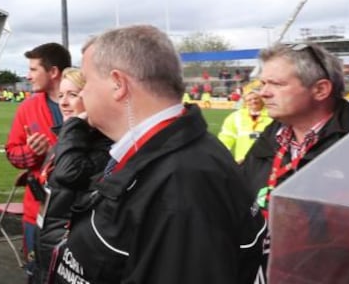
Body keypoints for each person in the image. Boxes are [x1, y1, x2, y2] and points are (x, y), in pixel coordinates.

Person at [51, 25, 262, 284]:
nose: (82, 93)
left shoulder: (183, 183)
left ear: (118, 84)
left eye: (88, 81)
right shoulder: (160, 155)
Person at [240, 42, 349, 280]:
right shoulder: (269, 140)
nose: (263, 92)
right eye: (263, 83)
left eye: (277, 84)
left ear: (320, 90)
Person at [32, 67, 110, 284]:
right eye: (61, 95)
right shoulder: (71, 138)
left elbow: (69, 174)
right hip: (47, 239)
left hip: (69, 250)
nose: (64, 103)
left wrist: (74, 126)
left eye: (73, 95)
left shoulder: (101, 143)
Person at [4, 42, 70, 276]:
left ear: (53, 72)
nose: (28, 76)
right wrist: (33, 152)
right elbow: (12, 153)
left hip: (75, 212)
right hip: (38, 210)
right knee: (36, 273)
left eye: (33, 70)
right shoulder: (28, 107)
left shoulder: (86, 104)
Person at [218, 90, 272, 163]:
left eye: (256, 98)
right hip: (242, 161)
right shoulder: (235, 116)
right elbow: (226, 138)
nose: (253, 101)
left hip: (267, 161)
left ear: (262, 99)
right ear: (245, 102)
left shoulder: (273, 115)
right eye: (249, 100)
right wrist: (220, 157)